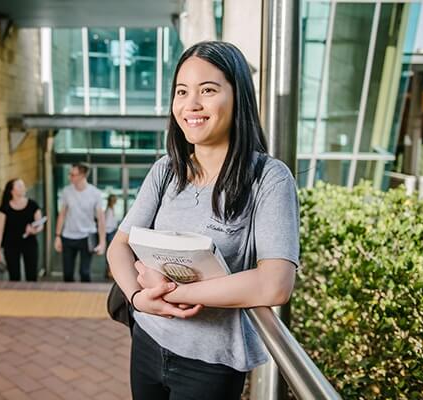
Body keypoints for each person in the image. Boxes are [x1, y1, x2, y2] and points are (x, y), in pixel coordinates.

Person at [107, 41, 300, 400]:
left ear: (237, 96)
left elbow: (275, 284)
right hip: (148, 338)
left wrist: (172, 294)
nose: (191, 105)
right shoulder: (166, 170)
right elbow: (119, 246)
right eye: (182, 92)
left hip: (211, 363)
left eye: (208, 90)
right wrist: (137, 298)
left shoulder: (269, 178)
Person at [54, 162, 106, 282]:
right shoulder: (67, 192)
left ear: (83, 175)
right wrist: (57, 236)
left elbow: (101, 219)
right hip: (68, 236)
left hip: (87, 237)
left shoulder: (95, 193)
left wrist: (102, 242)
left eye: (73, 174)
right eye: (69, 174)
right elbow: (62, 214)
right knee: (67, 273)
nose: (69, 177)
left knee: (85, 272)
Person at [0, 178, 44, 281]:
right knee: (14, 276)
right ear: (12, 191)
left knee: (31, 275)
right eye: (19, 186)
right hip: (10, 245)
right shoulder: (5, 208)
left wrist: (33, 230)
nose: (23, 188)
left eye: (23, 185)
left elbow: (40, 224)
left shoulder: (32, 205)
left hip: (29, 244)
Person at [104, 194, 119, 278]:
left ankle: (110, 272)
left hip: (111, 232)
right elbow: (107, 224)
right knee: (111, 253)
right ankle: (108, 273)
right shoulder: (109, 211)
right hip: (109, 233)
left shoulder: (111, 210)